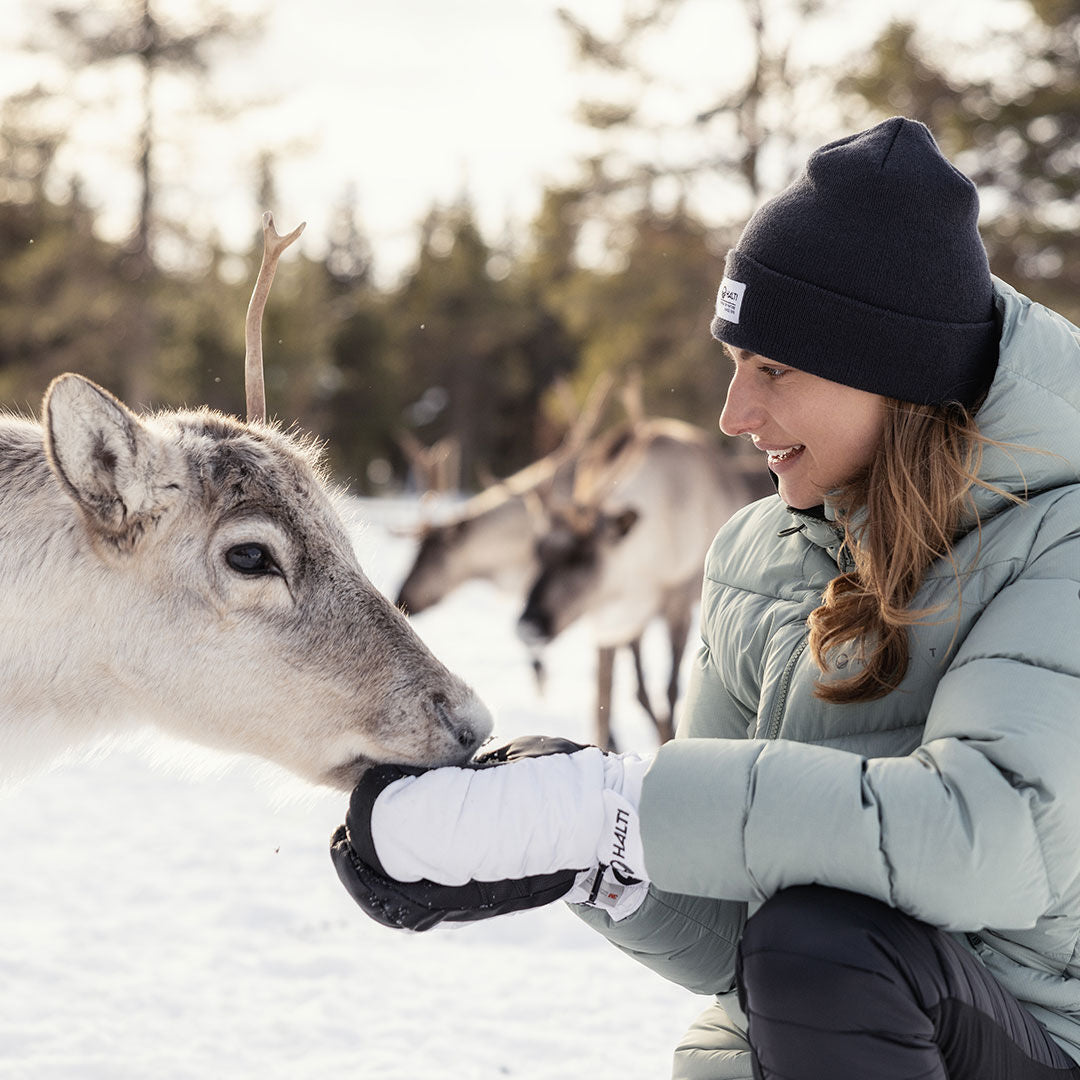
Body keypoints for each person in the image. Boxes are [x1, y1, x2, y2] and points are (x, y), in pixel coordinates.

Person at [331, 116, 1080, 1079]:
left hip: (1036, 1044)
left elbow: (989, 837)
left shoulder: (1058, 542)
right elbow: (734, 939)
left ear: (893, 376)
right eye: (733, 364)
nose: (734, 415)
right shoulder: (754, 556)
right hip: (795, 1045)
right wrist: (593, 858)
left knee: (824, 943)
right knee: (802, 946)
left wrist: (608, 806)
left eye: (774, 368)